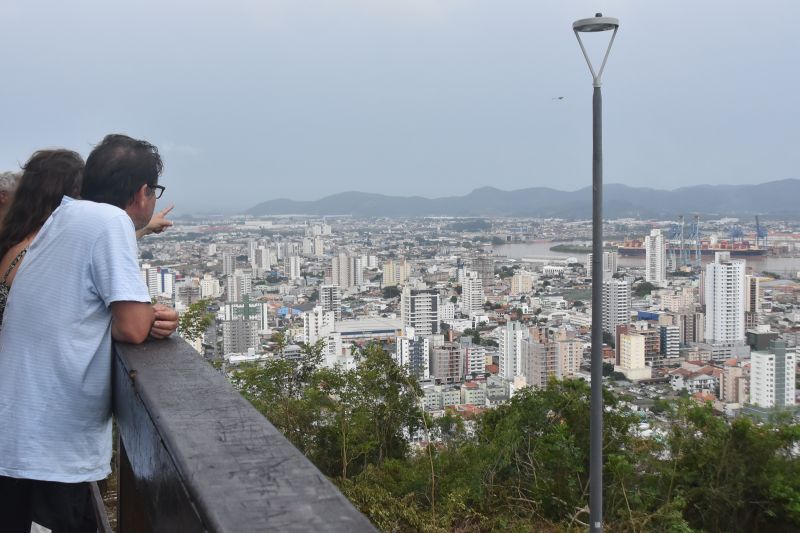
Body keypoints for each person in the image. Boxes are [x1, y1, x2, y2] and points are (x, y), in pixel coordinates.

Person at [0, 134, 179, 533]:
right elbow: (132, 328)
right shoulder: (109, 221)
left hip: (23, 437)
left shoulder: (63, 218)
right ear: (142, 193)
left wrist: (144, 317)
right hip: (47, 452)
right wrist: (153, 318)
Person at [0, 152, 176, 328]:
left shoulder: (21, 242)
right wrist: (145, 317)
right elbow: (132, 327)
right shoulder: (38, 250)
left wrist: (143, 229)